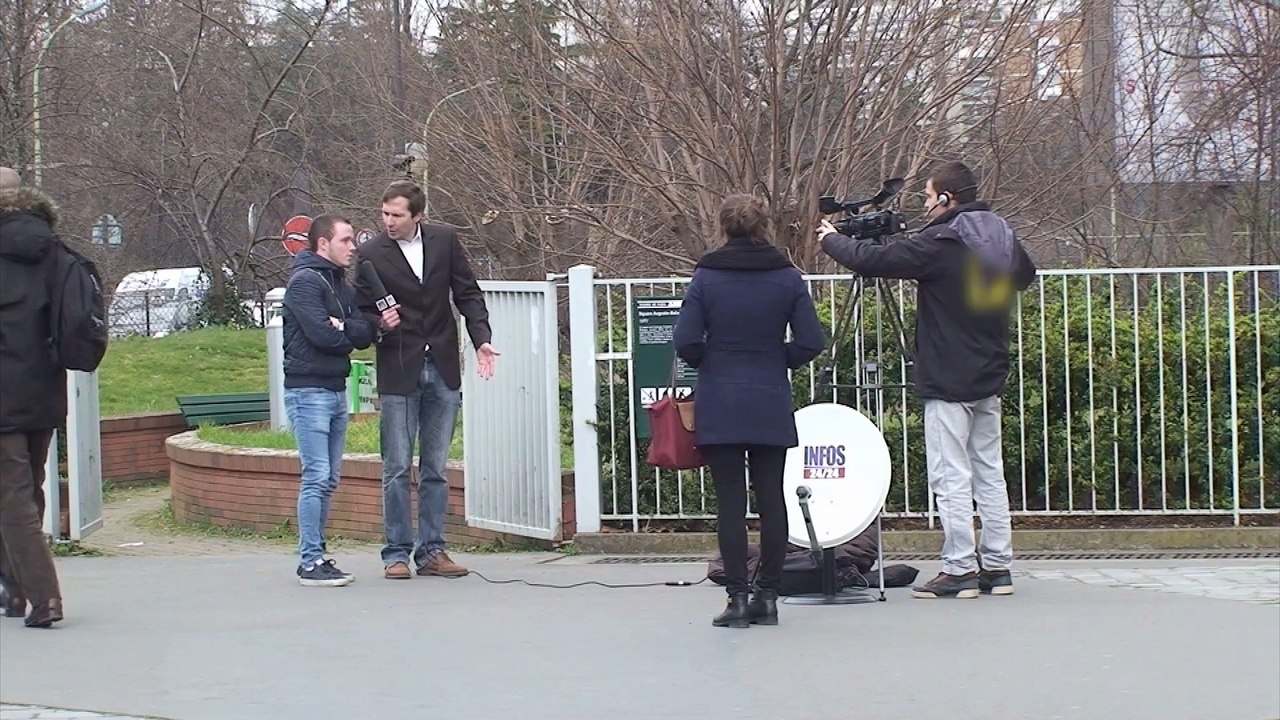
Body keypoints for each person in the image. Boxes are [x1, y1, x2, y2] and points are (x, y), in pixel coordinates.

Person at [816, 160, 1036, 599]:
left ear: (946, 198)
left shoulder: (944, 240)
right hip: (989, 367)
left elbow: (876, 259)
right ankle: (997, 565)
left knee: (950, 473)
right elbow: (1025, 275)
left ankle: (958, 569)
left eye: (927, 195)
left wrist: (832, 239)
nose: (923, 203)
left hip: (948, 371)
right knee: (988, 471)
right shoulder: (998, 233)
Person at [674, 193, 825, 628]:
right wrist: (779, 359)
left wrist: (712, 360)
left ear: (724, 227)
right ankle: (769, 596)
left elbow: (686, 340)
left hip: (720, 397)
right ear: (765, 226)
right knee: (772, 500)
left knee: (730, 505)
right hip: (768, 396)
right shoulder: (787, 277)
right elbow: (811, 340)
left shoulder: (707, 276)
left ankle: (737, 599)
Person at [353, 180, 498, 581]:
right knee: (397, 466)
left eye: (396, 215)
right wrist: (378, 323)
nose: (388, 222)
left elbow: (467, 294)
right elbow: (358, 311)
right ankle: (396, 553)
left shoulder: (445, 241)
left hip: (443, 364)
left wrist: (482, 339)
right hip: (399, 367)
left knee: (435, 465)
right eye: (384, 214)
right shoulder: (369, 255)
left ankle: (432, 550)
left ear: (417, 215)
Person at [281, 214, 377, 587]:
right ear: (323, 244)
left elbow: (363, 331)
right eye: (346, 241)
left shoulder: (339, 283)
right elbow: (323, 336)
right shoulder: (305, 283)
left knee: (330, 477)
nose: (353, 247)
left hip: (335, 388)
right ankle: (309, 561)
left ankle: (319, 554)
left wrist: (346, 327)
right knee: (316, 475)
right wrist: (342, 330)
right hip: (309, 391)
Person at [0, 167, 66, 627]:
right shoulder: (54, 250)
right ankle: (14, 588)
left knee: (13, 499)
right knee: (29, 491)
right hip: (45, 391)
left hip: (2, 395)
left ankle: (44, 598)